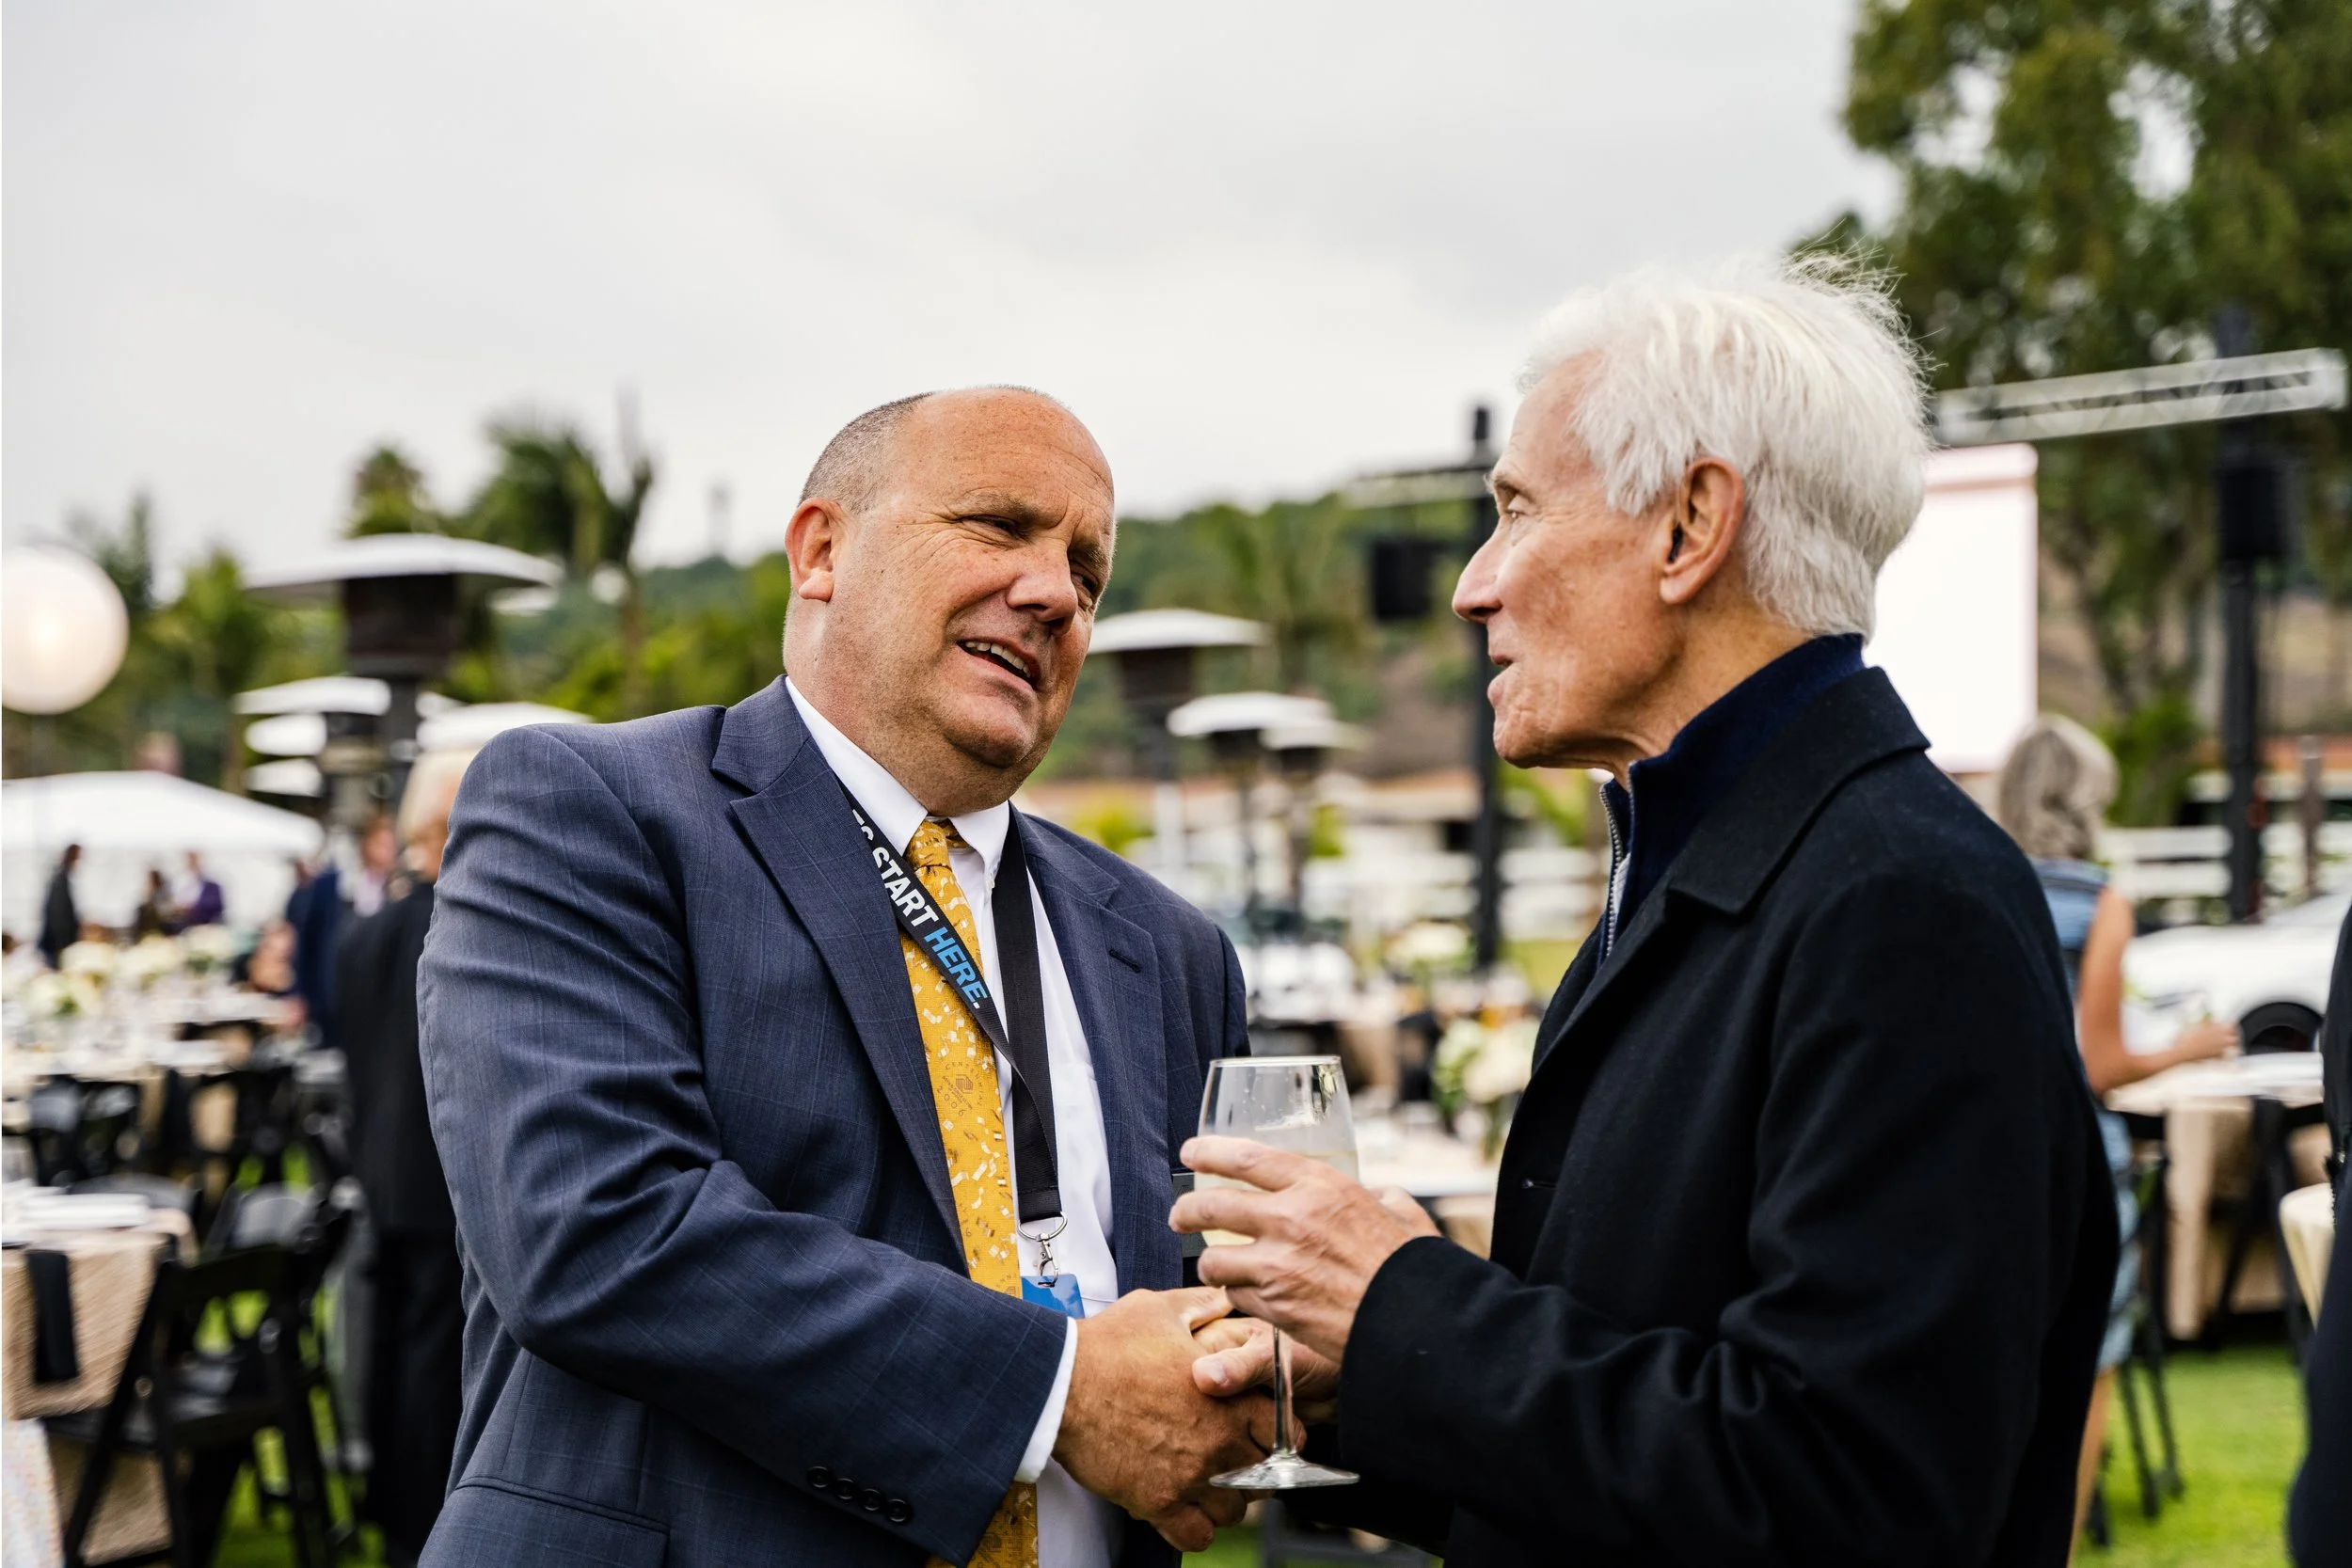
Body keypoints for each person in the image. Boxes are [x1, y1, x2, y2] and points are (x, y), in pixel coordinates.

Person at [1177, 257, 2118, 1567]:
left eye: (1515, 512)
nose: (1472, 585)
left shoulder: (1899, 903)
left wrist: (1405, 1302)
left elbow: (1849, 1495)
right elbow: (1642, 1428)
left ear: (1689, 527)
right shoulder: (1713, 865)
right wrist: (1359, 1381)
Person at [418, 387, 1270, 1568]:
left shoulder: (1172, 948)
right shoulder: (591, 809)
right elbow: (601, 1228)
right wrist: (1061, 1391)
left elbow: (1215, 1298)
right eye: (997, 526)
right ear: (821, 551)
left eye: (1087, 567)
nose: (1054, 592)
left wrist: (1271, 1362)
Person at [1993, 715, 2237, 1549]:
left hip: (1985, 1159)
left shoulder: (1976, 880)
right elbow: (2096, 1065)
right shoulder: (2100, 901)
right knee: (2085, 1367)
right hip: (2075, 1165)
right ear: (2082, 798)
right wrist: (2187, 1047)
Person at [342, 750, 473, 1567]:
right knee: (431, 1360)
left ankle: (390, 1510)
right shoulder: (458, 923)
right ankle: (424, 1524)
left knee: (391, 1345)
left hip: (381, 1168)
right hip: (438, 1173)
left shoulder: (369, 931)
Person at [39, 843, 81, 967]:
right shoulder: (60, 880)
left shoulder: (61, 877)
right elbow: (58, 914)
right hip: (56, 944)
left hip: (57, 943)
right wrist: (62, 943)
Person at [176, 849, 225, 929]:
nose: (192, 863)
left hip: (206, 925)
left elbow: (217, 906)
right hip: (185, 925)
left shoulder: (211, 886)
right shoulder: (180, 882)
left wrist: (193, 908)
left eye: (194, 860)